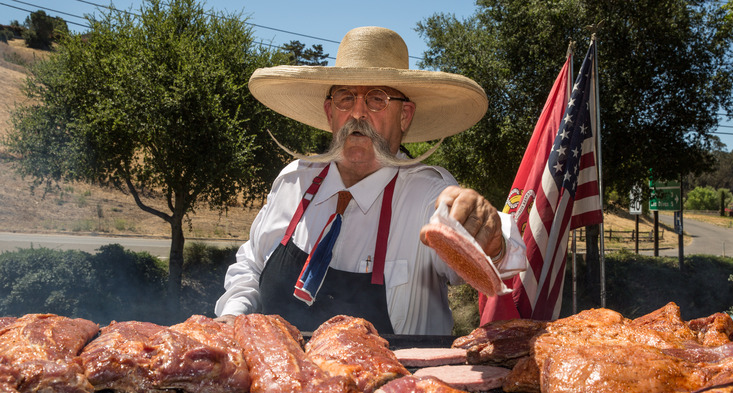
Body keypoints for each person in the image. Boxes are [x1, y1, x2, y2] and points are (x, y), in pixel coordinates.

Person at [215, 26, 526, 335]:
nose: (358, 114)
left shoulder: (427, 194)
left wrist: (492, 236)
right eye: (345, 98)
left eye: (376, 99)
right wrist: (233, 314)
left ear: (405, 116)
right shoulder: (293, 181)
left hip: (394, 382)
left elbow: (498, 260)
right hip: (279, 378)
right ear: (329, 112)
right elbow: (251, 266)